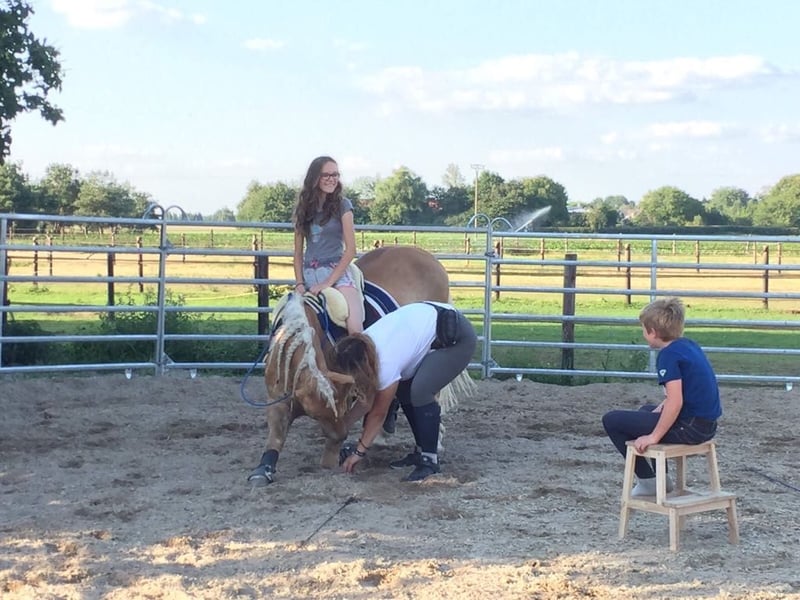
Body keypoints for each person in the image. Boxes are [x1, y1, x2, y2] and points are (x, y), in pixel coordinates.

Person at [332, 301, 477, 482]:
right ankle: (421, 451)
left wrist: (359, 452)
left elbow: (378, 413)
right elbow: (366, 401)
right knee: (405, 390)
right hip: (432, 322)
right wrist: (341, 426)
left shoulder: (385, 363)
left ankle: (430, 462)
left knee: (421, 390)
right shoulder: (363, 344)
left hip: (456, 337)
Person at [602, 297, 722, 496]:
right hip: (706, 424)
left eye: (643, 329)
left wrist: (654, 436)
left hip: (690, 428)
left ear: (653, 332)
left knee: (612, 420)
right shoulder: (689, 345)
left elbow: (675, 402)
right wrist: (656, 413)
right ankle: (661, 479)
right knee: (646, 411)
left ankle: (647, 480)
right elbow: (680, 394)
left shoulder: (668, 356)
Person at [292, 156, 363, 334]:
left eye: (335, 174)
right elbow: (298, 253)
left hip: (336, 272)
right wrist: (299, 283)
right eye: (326, 175)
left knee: (355, 326)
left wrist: (327, 283)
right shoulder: (303, 209)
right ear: (315, 177)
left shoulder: (343, 205)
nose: (332, 179)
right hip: (309, 273)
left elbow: (351, 250)